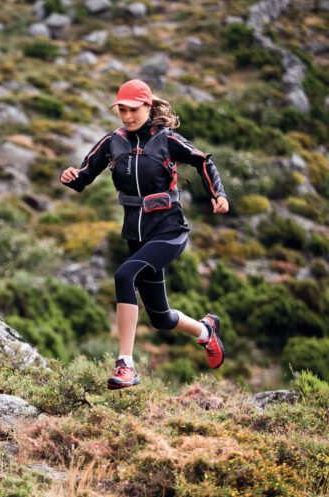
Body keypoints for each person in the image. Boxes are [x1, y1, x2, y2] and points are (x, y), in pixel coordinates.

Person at [60, 79, 229, 390]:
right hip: (135, 234)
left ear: (147, 107)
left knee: (125, 276)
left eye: (132, 109)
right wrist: (71, 177)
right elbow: (84, 176)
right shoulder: (112, 142)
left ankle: (125, 364)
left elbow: (203, 160)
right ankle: (207, 331)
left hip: (169, 230)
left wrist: (217, 194)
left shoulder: (167, 140)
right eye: (121, 110)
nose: (126, 116)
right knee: (161, 318)